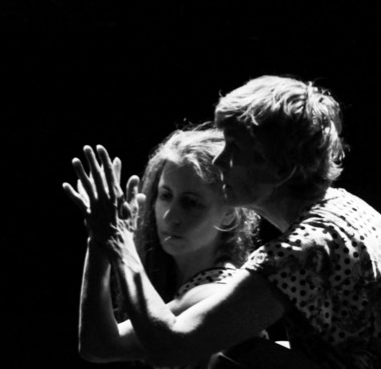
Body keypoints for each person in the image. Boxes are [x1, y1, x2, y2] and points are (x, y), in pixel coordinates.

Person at [67, 76, 381, 368]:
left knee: (237, 356)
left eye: (235, 149)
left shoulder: (305, 248)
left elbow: (171, 348)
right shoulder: (345, 210)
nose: (220, 161)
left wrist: (118, 241)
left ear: (279, 167)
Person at [63, 125, 261, 368]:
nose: (170, 216)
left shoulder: (216, 291)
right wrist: (99, 235)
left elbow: (100, 346)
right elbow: (95, 345)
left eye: (190, 203)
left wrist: (111, 238)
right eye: (165, 195)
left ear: (229, 214)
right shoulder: (189, 285)